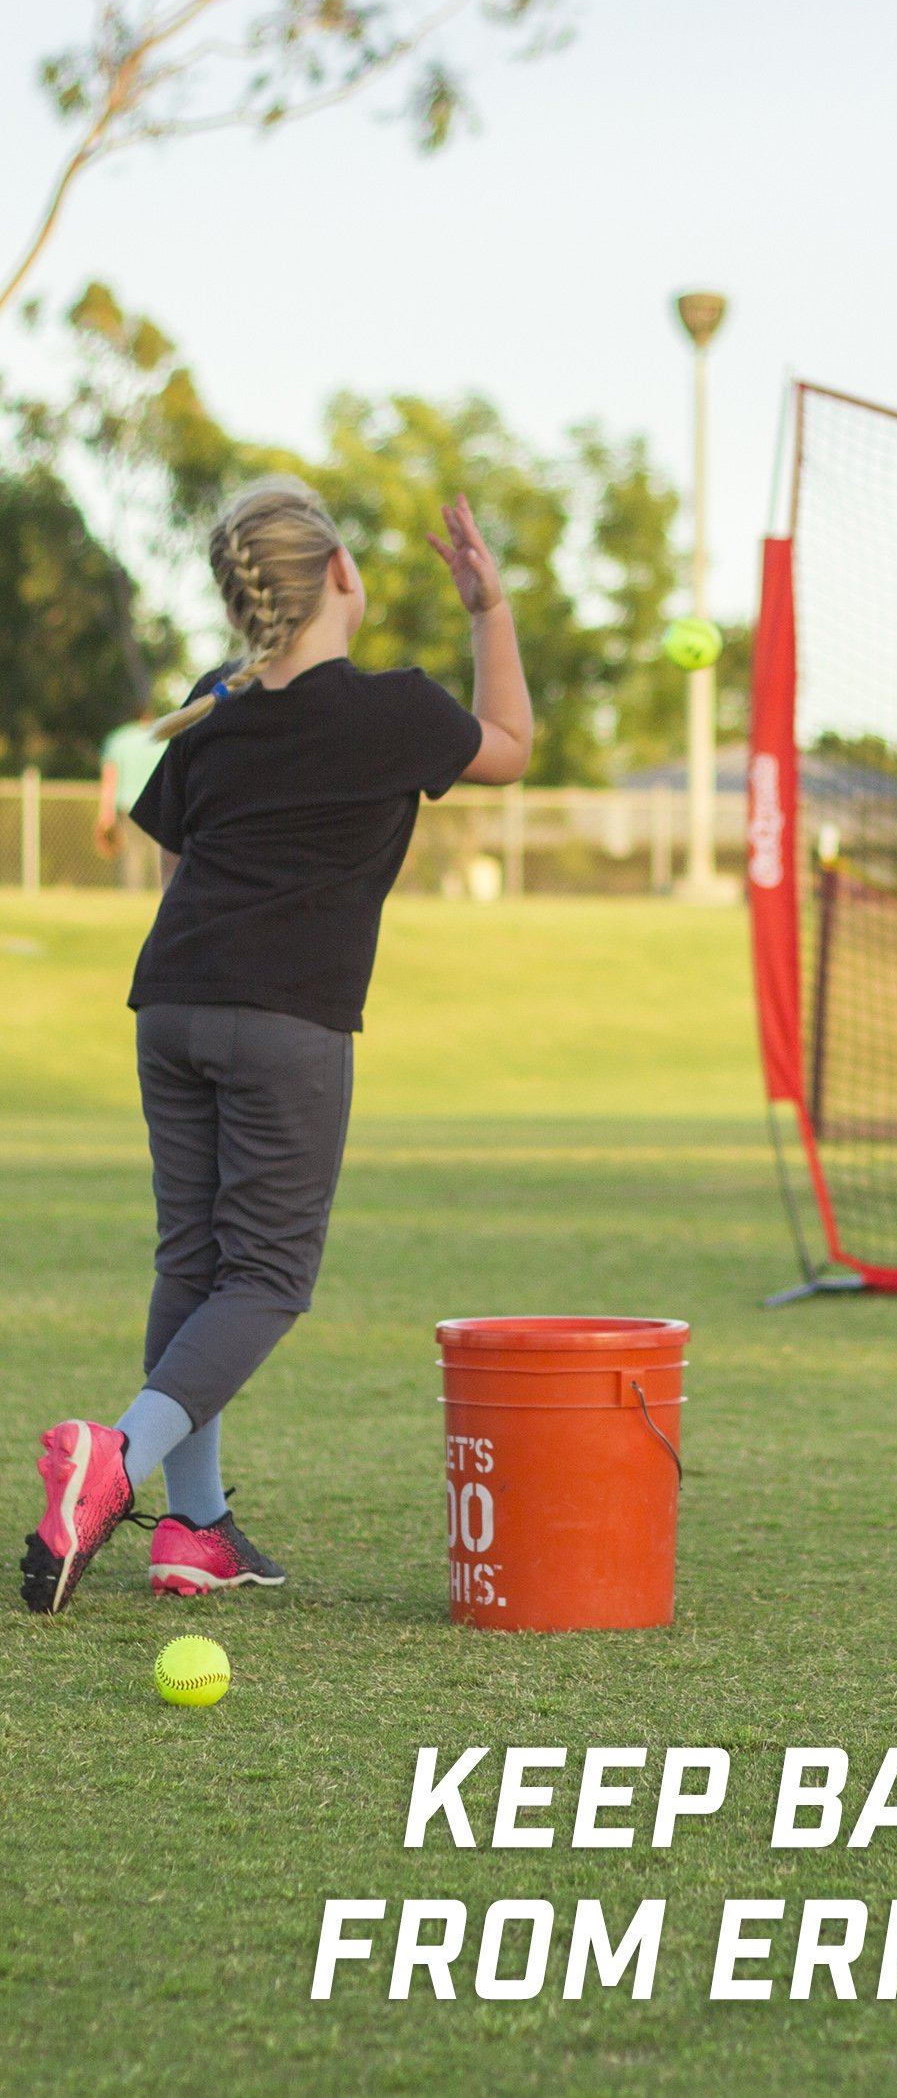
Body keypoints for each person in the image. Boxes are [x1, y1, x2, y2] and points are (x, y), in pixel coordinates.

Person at [20, 475, 532, 1614]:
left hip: (172, 1004)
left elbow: (176, 862)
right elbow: (508, 746)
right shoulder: (392, 707)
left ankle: (194, 1533)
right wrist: (487, 609)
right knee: (265, 1279)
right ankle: (119, 1462)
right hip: (287, 1022)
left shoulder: (212, 703)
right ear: (341, 576)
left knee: (191, 1265)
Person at [96, 698, 167, 890]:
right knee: (157, 854)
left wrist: (105, 815)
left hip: (127, 805)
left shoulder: (118, 740)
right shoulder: (162, 739)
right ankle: (158, 896)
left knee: (130, 854)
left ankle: (131, 894)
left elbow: (110, 779)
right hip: (156, 804)